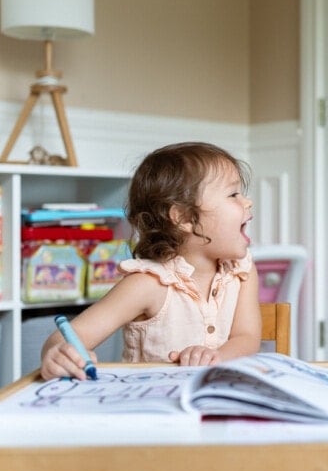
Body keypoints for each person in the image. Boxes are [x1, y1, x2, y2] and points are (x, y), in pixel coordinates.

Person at [41, 142, 261, 380]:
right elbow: (68, 336)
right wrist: (58, 353)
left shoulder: (241, 271)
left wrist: (216, 357)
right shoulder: (148, 283)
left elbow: (247, 337)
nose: (247, 201)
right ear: (185, 218)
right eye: (233, 194)